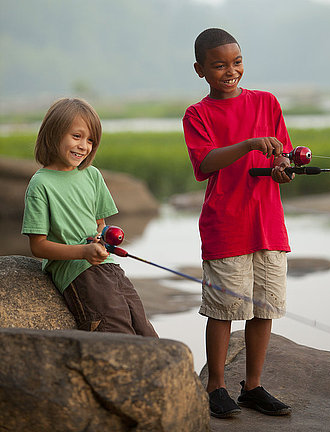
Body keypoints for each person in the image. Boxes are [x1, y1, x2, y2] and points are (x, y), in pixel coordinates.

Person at [183, 28, 293, 418]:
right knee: (224, 310)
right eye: (219, 65)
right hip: (225, 226)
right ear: (200, 70)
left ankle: (253, 386)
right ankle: (216, 387)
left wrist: (282, 168)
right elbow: (205, 163)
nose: (230, 71)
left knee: (264, 308)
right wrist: (248, 145)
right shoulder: (198, 114)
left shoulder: (267, 102)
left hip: (268, 226)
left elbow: (283, 156)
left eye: (237, 62)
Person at [22, 97, 157, 337]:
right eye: (76, 136)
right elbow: (38, 246)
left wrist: (102, 237)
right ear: (54, 134)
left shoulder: (92, 175)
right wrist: (83, 252)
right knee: (116, 333)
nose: (84, 146)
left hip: (109, 267)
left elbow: (100, 224)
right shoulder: (40, 183)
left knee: (144, 330)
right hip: (77, 274)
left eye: (90, 140)